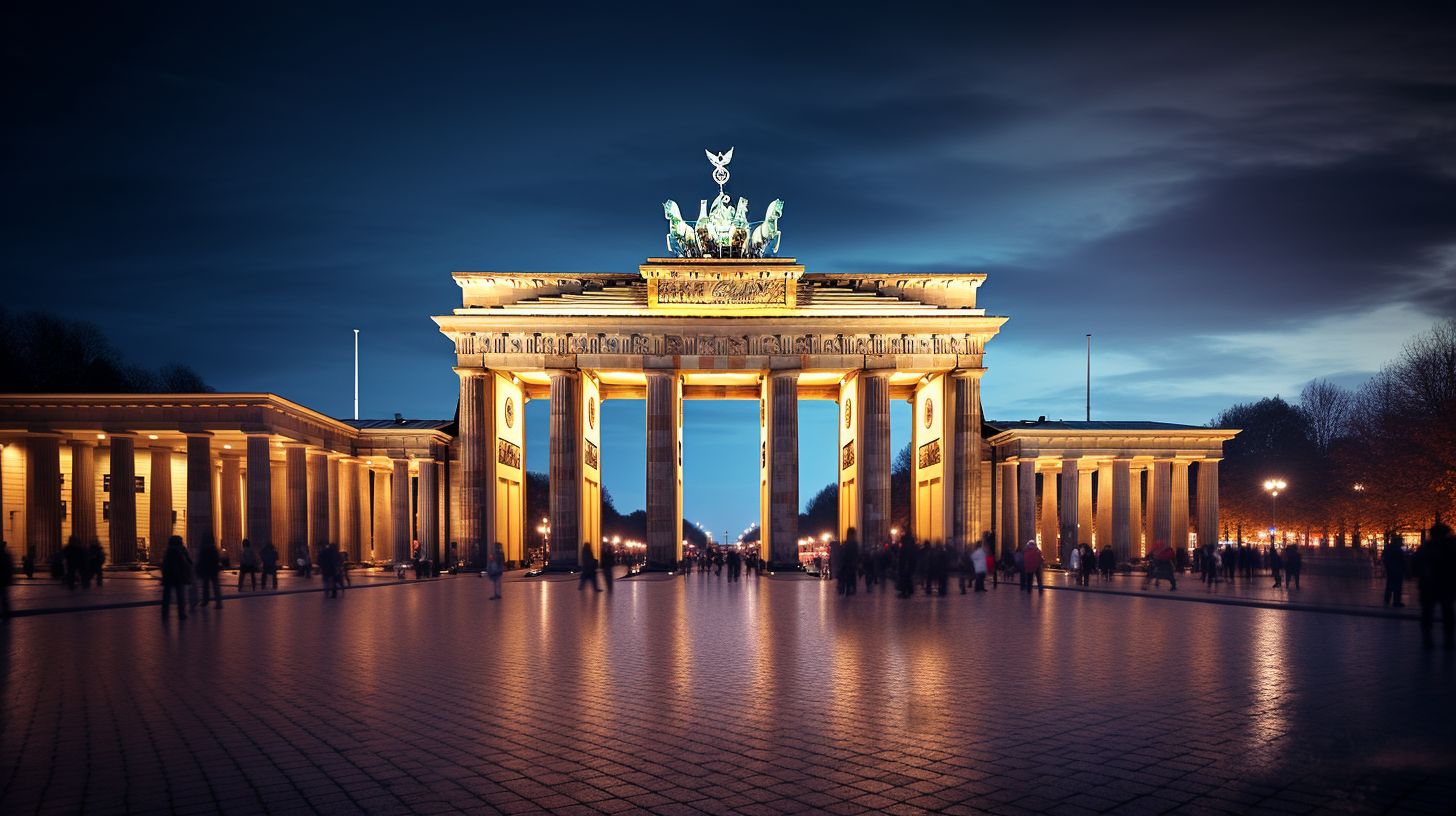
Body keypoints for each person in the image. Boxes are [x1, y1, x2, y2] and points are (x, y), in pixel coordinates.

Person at [1413, 522, 1456, 649]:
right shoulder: (1451, 548)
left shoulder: (1426, 548)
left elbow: (1416, 565)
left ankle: (1428, 639)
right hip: (1445, 586)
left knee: (1428, 613)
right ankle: (1448, 640)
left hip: (1429, 586)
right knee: (1447, 613)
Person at [160, 536, 191, 620]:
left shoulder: (167, 551)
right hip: (178, 577)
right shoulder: (180, 551)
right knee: (180, 596)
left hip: (168, 577)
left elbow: (164, 565)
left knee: (166, 596)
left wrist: (164, 575)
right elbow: (186, 563)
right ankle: (181, 614)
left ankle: (164, 614)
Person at [196, 535, 222, 608]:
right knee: (214, 586)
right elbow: (217, 558)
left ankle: (205, 601)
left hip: (207, 569)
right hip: (213, 569)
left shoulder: (203, 548)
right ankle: (218, 602)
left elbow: (200, 559)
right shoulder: (213, 548)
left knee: (206, 586)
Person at [1382, 538, 1406, 607]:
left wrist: (1387, 567)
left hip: (1390, 570)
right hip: (1397, 570)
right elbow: (1402, 561)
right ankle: (1396, 601)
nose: (1402, 542)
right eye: (1401, 541)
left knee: (1389, 585)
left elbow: (1385, 559)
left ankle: (1387, 599)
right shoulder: (1398, 550)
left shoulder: (1388, 549)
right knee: (1397, 586)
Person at [0, 541, 14, 621]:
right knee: (4, 596)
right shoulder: (5, 555)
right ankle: (5, 610)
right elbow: (9, 566)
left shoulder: (5, 555)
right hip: (3, 579)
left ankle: (5, 610)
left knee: (4, 596)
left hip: (3, 579)